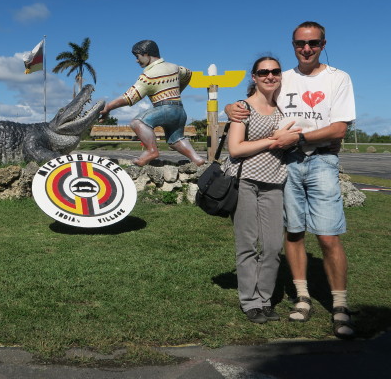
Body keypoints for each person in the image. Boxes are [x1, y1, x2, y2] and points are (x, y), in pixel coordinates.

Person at [225, 21, 356, 339]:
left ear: (323, 44)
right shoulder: (284, 79)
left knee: (327, 236)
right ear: (293, 44)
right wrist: (230, 108)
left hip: (321, 161)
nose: (306, 48)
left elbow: (339, 129)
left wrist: (300, 139)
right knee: (294, 233)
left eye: (313, 43)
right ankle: (302, 297)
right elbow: (256, 99)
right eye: (300, 43)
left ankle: (339, 304)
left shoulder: (338, 78)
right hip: (287, 166)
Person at [222, 56, 299, 324]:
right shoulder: (242, 108)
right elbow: (236, 148)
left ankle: (265, 299)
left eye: (275, 71)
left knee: (273, 246)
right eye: (263, 72)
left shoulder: (284, 109)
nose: (270, 76)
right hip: (245, 181)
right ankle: (250, 301)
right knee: (247, 243)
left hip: (274, 182)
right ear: (253, 77)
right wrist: (272, 140)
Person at [99, 40, 204, 166]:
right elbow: (188, 74)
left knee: (138, 122)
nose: (136, 61)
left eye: (137, 57)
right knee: (176, 140)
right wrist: (178, 91)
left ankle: (151, 151)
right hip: (180, 111)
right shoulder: (175, 67)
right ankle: (197, 159)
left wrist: (109, 107)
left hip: (165, 109)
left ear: (146, 54)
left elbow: (130, 97)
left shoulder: (149, 75)